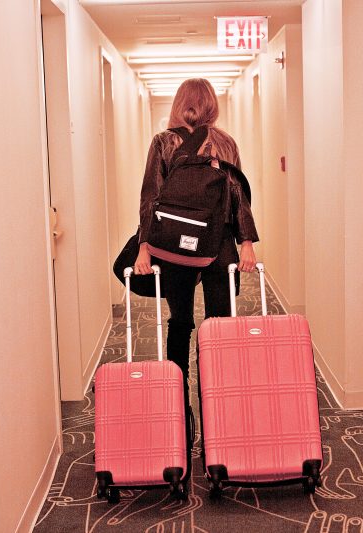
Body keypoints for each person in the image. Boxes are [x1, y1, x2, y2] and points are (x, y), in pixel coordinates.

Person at [134, 78, 259, 405]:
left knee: (180, 322)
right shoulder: (225, 142)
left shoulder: (163, 142)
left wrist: (144, 247)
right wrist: (246, 241)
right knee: (219, 325)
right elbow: (237, 195)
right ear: (212, 106)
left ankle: (178, 403)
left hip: (175, 244)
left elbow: (151, 197)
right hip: (219, 243)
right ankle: (218, 401)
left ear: (178, 104)